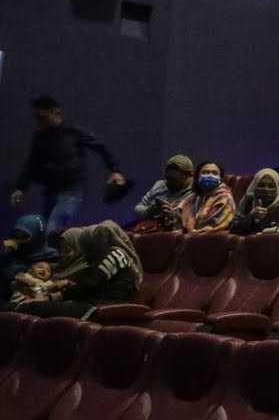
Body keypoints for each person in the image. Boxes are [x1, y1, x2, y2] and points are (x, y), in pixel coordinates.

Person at [10, 96, 126, 233]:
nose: (39, 122)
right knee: (46, 231)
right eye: (36, 118)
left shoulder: (73, 131)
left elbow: (101, 147)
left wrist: (115, 170)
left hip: (71, 191)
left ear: (55, 112)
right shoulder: (40, 137)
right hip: (51, 191)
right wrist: (20, 188)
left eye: (42, 118)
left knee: (53, 229)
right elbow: (30, 164)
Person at [16, 221, 141, 319]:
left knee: (31, 307)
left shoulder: (113, 254)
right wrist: (67, 284)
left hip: (101, 306)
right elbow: (87, 280)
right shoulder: (101, 257)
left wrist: (51, 298)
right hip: (92, 302)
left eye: (87, 246)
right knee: (21, 306)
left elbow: (88, 284)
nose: (85, 251)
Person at [2, 215, 60, 301]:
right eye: (17, 233)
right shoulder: (10, 251)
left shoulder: (51, 256)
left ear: (38, 236)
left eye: (25, 236)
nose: (20, 239)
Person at [131, 155, 195, 233]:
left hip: (178, 233)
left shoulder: (196, 191)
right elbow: (137, 209)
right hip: (152, 230)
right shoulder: (159, 186)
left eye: (174, 177)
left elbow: (197, 218)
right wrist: (150, 211)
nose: (169, 182)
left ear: (189, 175)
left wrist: (174, 215)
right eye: (168, 176)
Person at [178, 161, 236, 234]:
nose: (210, 176)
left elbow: (210, 225)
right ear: (197, 177)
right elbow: (180, 218)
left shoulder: (225, 198)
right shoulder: (193, 198)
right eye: (205, 172)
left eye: (214, 173)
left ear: (220, 179)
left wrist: (192, 229)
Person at [230, 168, 279, 235]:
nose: (266, 190)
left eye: (271, 186)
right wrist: (251, 216)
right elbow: (233, 228)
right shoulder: (248, 200)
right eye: (261, 185)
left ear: (277, 189)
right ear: (254, 186)